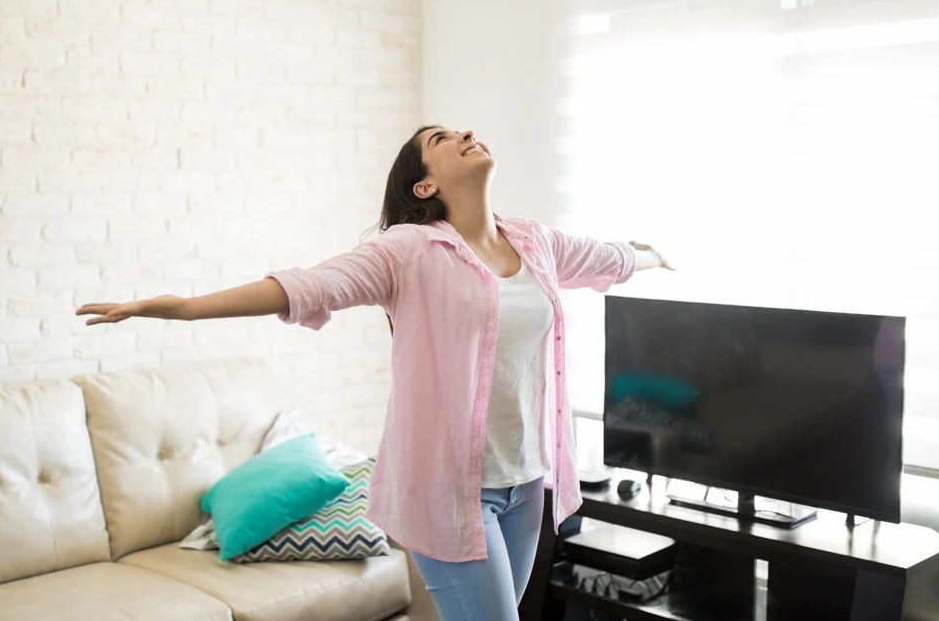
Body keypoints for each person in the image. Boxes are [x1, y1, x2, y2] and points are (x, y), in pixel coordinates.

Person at [76, 126, 672, 621]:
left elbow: (611, 257)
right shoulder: (407, 251)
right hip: (448, 493)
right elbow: (306, 286)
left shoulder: (536, 243)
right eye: (442, 138)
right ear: (425, 184)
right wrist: (180, 307)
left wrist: (655, 254)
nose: (465, 133)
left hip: (526, 484)